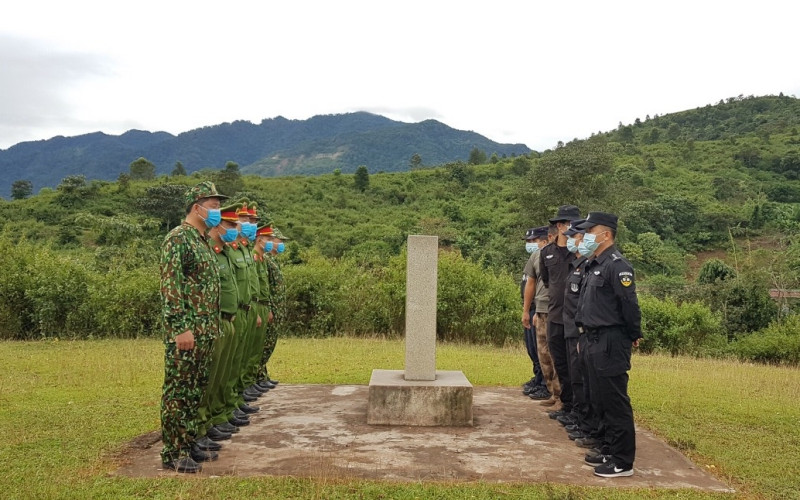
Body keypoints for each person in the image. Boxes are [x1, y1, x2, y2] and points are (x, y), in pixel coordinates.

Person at [159, 180, 227, 473]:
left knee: (196, 389)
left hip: (205, 331)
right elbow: (171, 286)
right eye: (213, 206)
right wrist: (180, 327)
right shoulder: (178, 238)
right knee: (179, 391)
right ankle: (173, 452)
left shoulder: (201, 240)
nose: (218, 211)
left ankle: (188, 441)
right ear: (196, 208)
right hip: (187, 332)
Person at [574, 211, 642, 478]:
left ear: (606, 235)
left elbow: (629, 305)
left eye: (591, 232)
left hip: (610, 340)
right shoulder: (593, 264)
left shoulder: (618, 265)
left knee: (614, 401)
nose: (586, 236)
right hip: (591, 339)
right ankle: (607, 448)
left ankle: (623, 461)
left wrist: (633, 333)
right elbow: (585, 305)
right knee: (597, 399)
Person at [200, 202, 243, 444]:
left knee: (224, 372)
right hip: (213, 321)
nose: (235, 230)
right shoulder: (210, 251)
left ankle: (218, 416)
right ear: (217, 226)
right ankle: (205, 422)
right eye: (230, 225)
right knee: (210, 376)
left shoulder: (225, 252)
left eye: (236, 226)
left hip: (230, 317)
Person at [540, 205, 581, 418]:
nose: (574, 228)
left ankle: (577, 408)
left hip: (574, 318)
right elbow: (547, 282)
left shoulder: (580, 253)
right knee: (561, 363)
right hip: (555, 316)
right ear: (560, 226)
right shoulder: (547, 253)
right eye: (570, 224)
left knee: (576, 366)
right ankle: (566, 406)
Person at [522, 226, 560, 405]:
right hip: (540, 309)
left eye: (533, 241)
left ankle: (557, 394)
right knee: (541, 351)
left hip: (556, 310)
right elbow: (532, 282)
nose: (531, 244)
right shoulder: (538, 256)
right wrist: (530, 310)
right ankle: (549, 388)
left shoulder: (565, 256)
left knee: (555, 354)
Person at [520, 227, 548, 400]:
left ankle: (545, 383)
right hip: (530, 309)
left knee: (541, 349)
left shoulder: (546, 260)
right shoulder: (533, 258)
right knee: (532, 348)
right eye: (528, 242)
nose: (530, 244)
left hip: (539, 310)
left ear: (544, 241)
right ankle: (538, 378)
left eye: (534, 241)